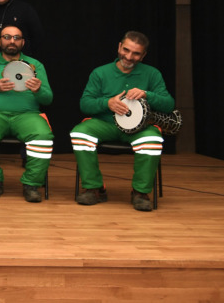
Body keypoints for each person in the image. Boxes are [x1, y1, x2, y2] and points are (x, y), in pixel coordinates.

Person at [70, 31, 173, 212]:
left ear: (143, 56)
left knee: (153, 140)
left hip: (140, 127)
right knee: (79, 133)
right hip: (105, 124)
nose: (129, 56)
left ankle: (140, 192)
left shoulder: (152, 74)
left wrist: (147, 94)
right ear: (119, 47)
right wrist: (107, 103)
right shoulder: (100, 72)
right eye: (126, 50)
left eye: (136, 53)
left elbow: (168, 104)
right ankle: (94, 188)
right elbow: (85, 104)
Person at [0, 25, 53, 203]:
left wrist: (38, 90)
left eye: (16, 38)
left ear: (22, 42)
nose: (12, 41)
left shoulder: (35, 65)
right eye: (7, 37)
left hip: (27, 115)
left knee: (44, 136)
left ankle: (31, 184)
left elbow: (48, 99)